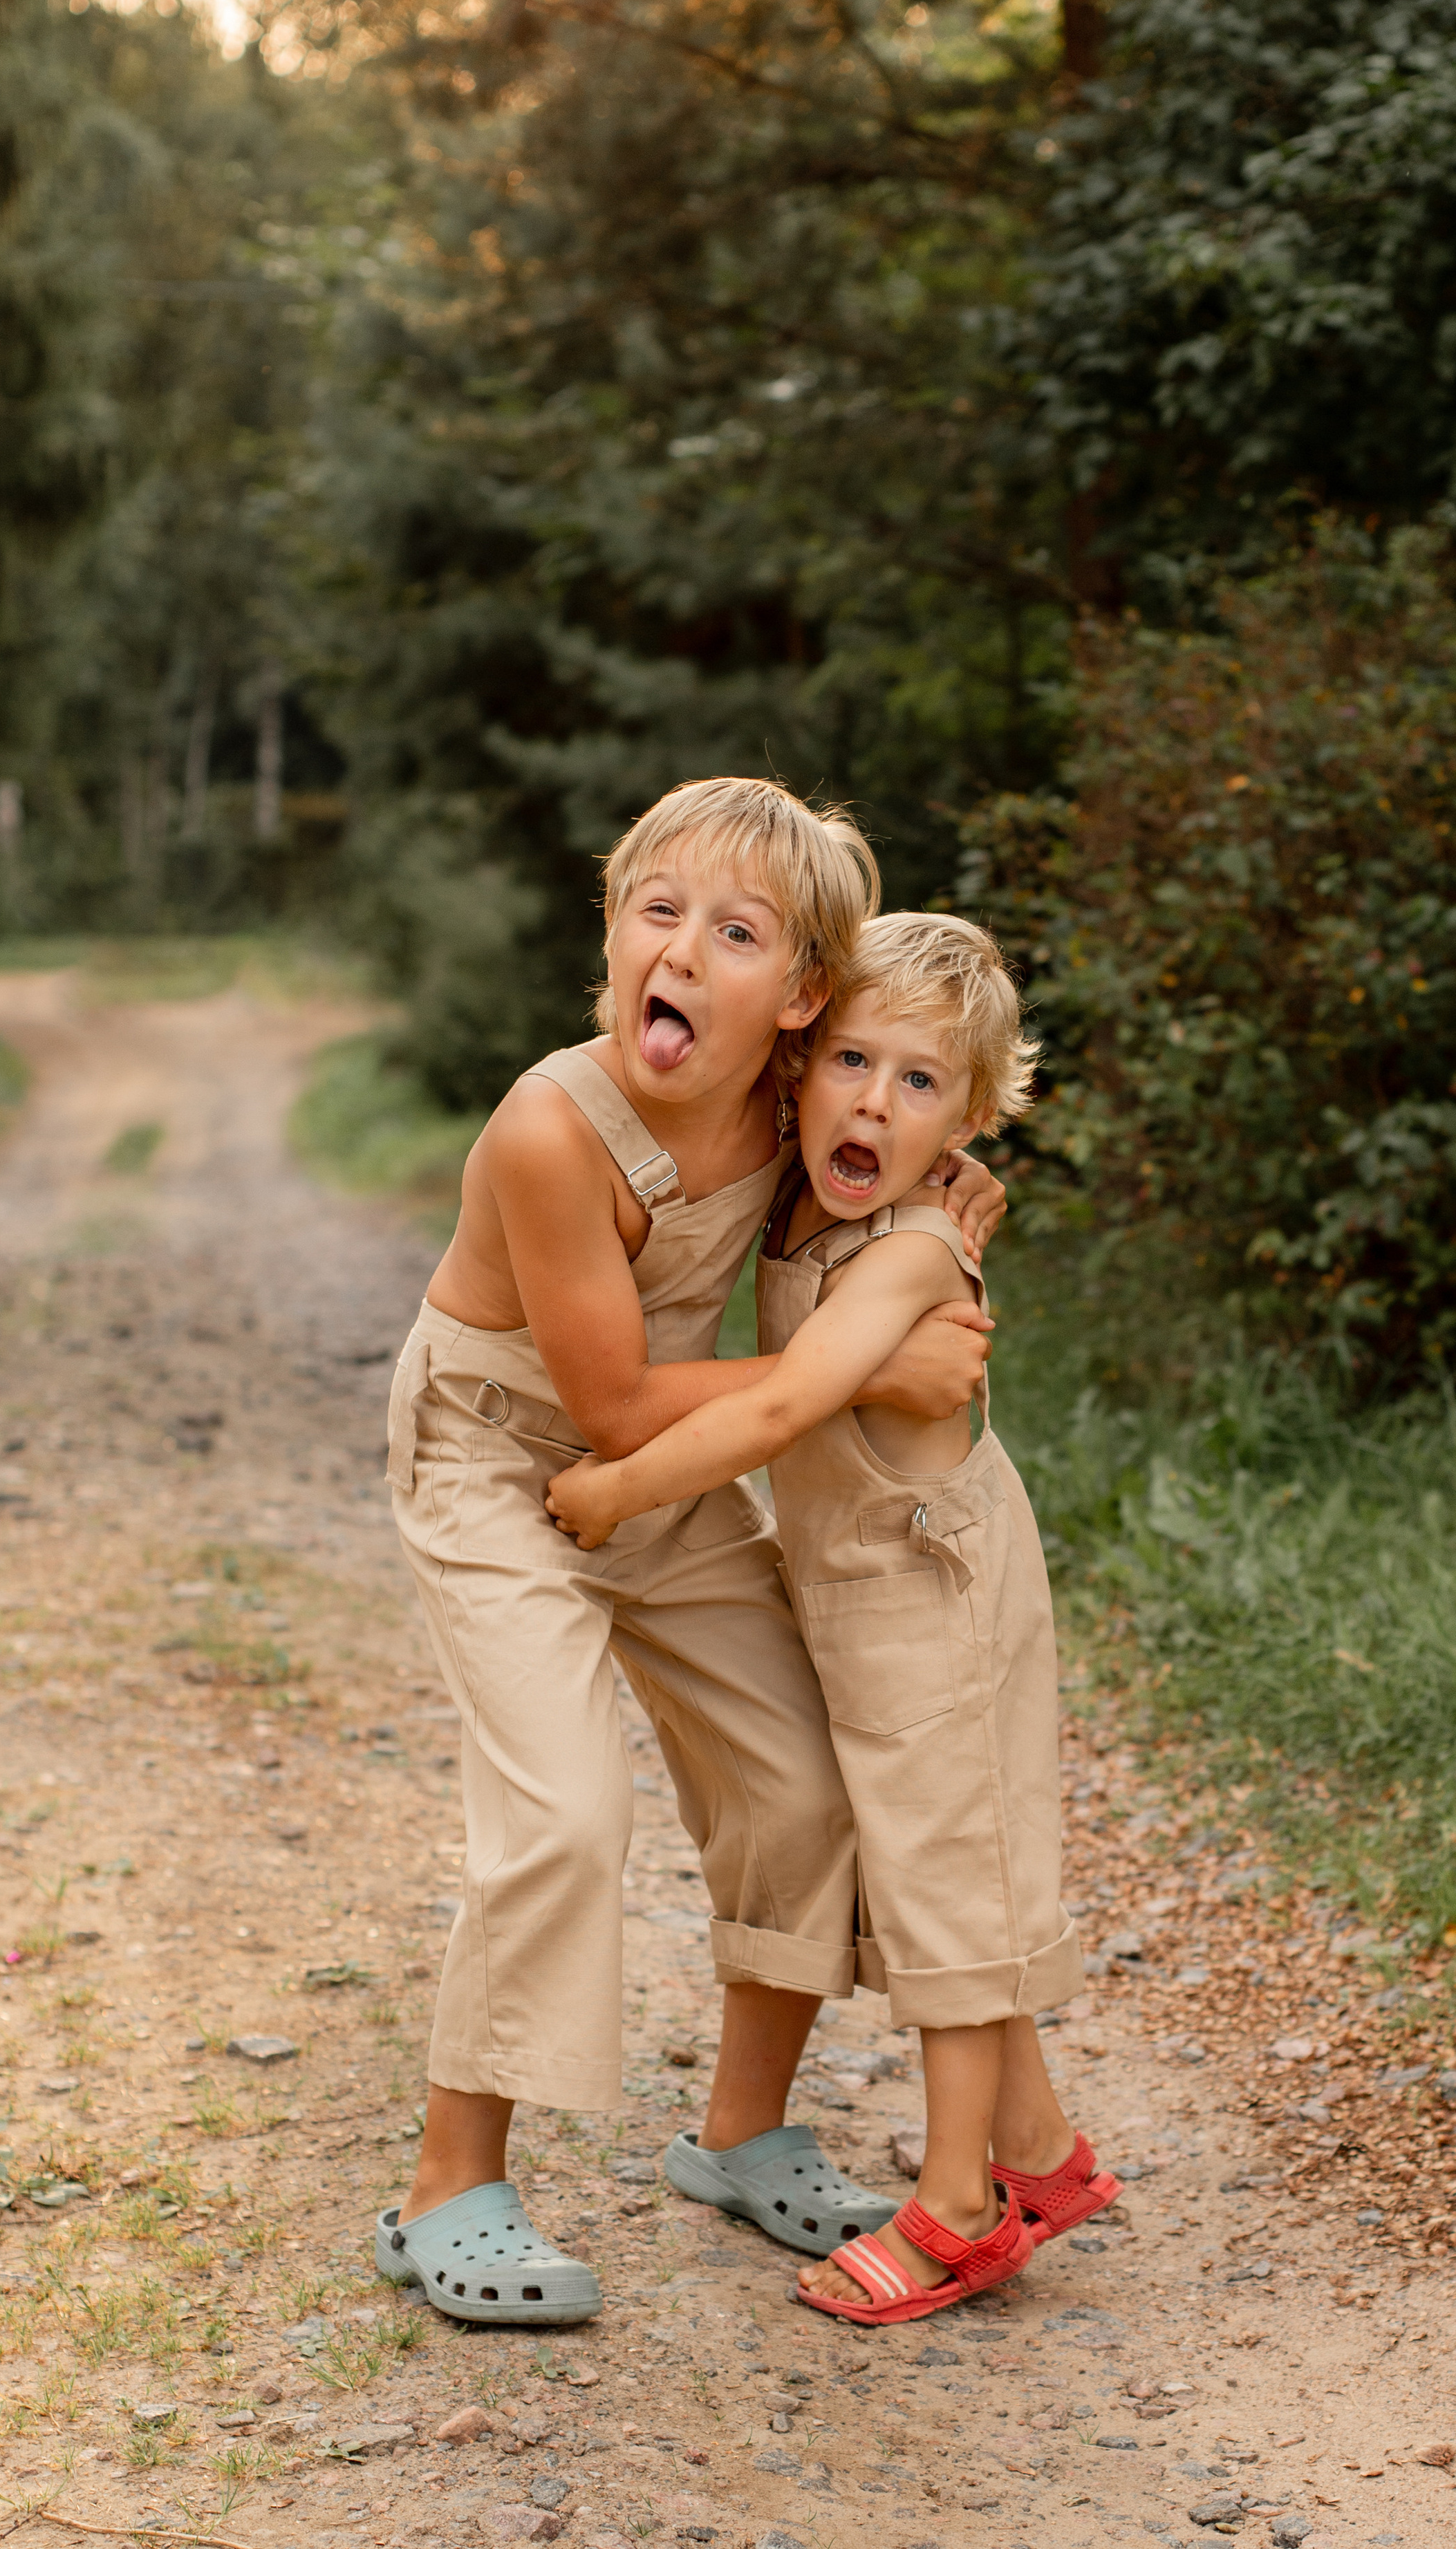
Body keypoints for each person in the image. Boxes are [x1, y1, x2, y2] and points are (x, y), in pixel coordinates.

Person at [375, 780, 1007, 2325]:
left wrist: (938, 1194)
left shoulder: (789, 1092)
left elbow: (893, 1129)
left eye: (733, 932)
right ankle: (444, 2184)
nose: (679, 948)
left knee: (797, 1776)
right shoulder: (549, 1123)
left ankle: (739, 2131)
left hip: (663, 1473)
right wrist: (872, 1366)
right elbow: (601, 1401)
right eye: (655, 911)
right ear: (610, 935)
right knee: (564, 1808)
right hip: (500, 1455)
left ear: (795, 998)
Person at [547, 911, 1117, 2325]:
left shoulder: (913, 1249)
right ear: (798, 1063)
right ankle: (1039, 2151)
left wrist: (616, 1486)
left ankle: (954, 2204)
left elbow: (789, 1398)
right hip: (857, 1605)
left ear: (968, 1114)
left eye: (917, 1082)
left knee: (942, 1899)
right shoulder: (807, 1197)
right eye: (850, 1059)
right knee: (930, 1871)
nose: (871, 1099)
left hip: (936, 1598)